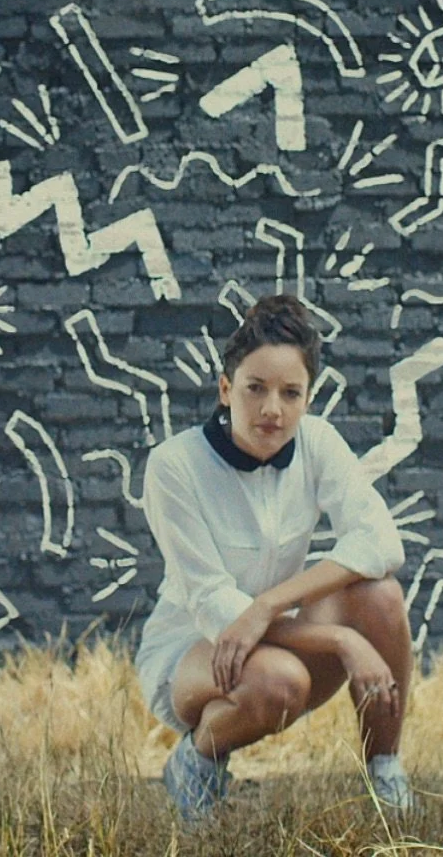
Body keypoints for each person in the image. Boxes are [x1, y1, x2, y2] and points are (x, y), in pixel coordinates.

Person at [135, 294, 414, 821]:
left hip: (277, 633)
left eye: (291, 393)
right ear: (225, 389)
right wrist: (341, 638)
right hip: (192, 653)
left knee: (381, 595)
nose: (272, 409)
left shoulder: (318, 444)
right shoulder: (174, 466)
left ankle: (385, 770)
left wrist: (271, 605)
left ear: (308, 398)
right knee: (280, 682)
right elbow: (214, 605)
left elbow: (381, 542)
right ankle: (196, 763)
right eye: (255, 388)